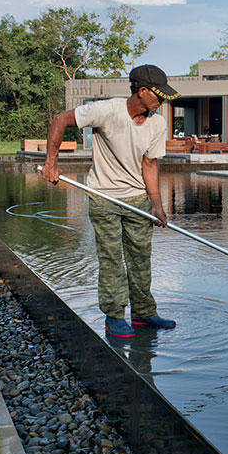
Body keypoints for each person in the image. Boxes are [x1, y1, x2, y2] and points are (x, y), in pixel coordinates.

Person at [41, 64, 180, 339]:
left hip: (137, 199)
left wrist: (157, 204)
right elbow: (59, 120)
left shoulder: (157, 123)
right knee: (112, 259)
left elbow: (149, 164)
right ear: (141, 91)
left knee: (141, 258)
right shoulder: (106, 110)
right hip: (104, 197)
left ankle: (143, 313)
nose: (162, 101)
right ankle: (114, 316)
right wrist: (51, 163)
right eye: (159, 95)